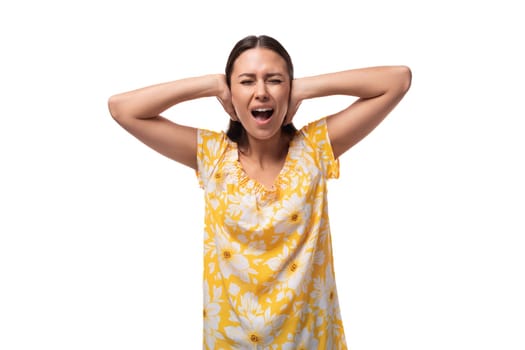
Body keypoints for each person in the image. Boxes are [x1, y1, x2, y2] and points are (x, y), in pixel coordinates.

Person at [108, 34, 411, 349]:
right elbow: (122, 109)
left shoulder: (316, 149)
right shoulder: (212, 156)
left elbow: (397, 80)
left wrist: (305, 87)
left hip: (311, 340)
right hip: (231, 342)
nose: (261, 93)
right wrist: (211, 84)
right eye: (247, 82)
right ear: (231, 93)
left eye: (275, 80)